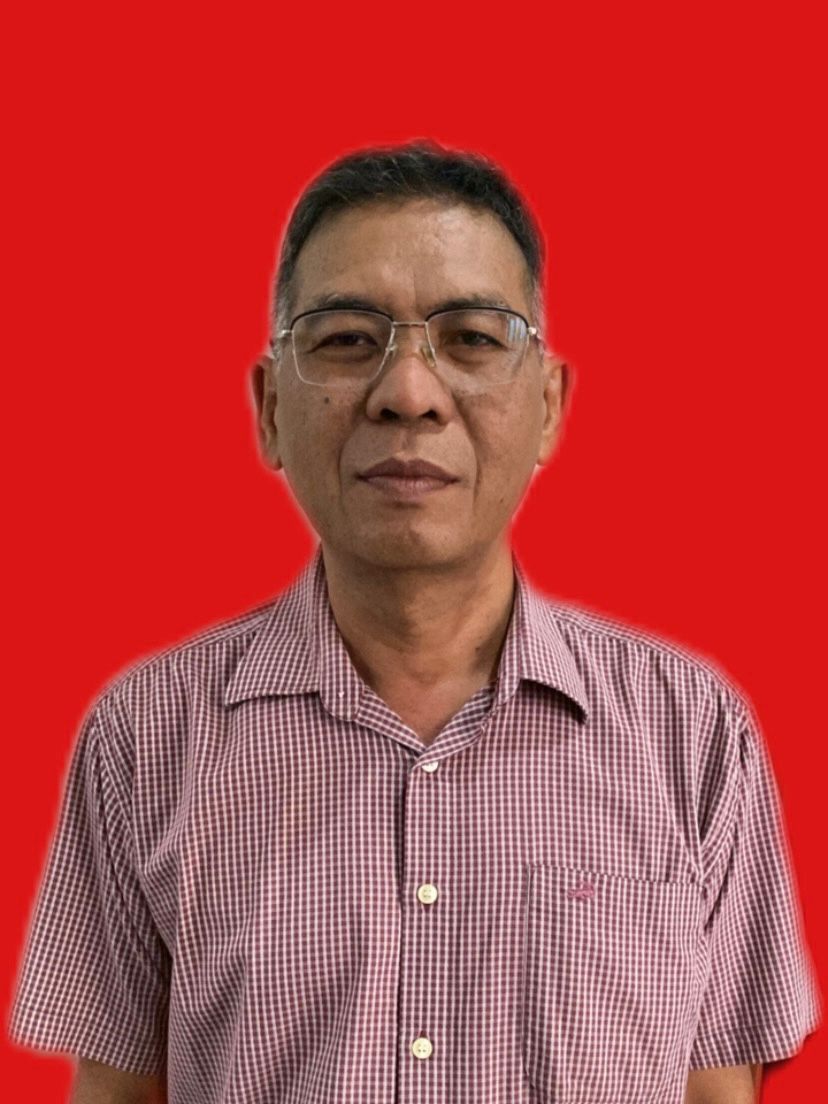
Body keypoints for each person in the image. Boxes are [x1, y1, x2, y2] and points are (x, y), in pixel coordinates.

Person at [7, 140, 821, 1104]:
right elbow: (114, 1095)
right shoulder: (146, 739)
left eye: (472, 338)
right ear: (269, 408)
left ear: (549, 406)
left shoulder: (692, 734)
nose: (408, 394)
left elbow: (718, 1091)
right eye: (348, 340)